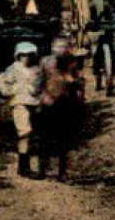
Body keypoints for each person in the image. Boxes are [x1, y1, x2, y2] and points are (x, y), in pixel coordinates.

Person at [37, 38, 88, 182]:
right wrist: (43, 97)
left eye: (63, 47)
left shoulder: (72, 63)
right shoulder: (45, 62)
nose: (60, 50)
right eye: (57, 47)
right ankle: (42, 170)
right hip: (48, 102)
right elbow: (39, 82)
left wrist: (74, 84)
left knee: (63, 140)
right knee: (45, 139)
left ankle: (62, 172)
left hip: (66, 104)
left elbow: (80, 84)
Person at [0, 41, 44, 178]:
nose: (26, 58)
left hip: (34, 103)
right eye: (23, 55)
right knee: (24, 132)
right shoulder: (15, 68)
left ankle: (34, 165)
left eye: (29, 55)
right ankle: (23, 166)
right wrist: (9, 90)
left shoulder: (37, 69)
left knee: (34, 134)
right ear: (18, 56)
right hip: (20, 103)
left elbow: (41, 85)